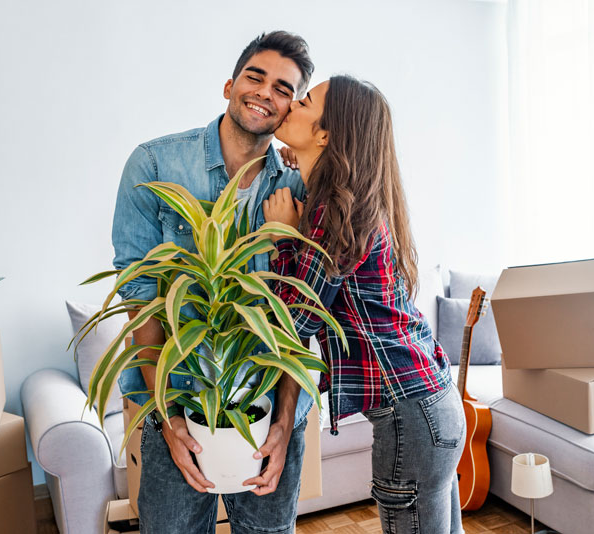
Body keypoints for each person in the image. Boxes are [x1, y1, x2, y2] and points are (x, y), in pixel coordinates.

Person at [112, 31, 315, 534]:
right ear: (229, 85)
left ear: (291, 110)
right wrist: (167, 418)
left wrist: (286, 419)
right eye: (255, 76)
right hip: (176, 399)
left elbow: (300, 313)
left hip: (270, 401)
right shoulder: (155, 166)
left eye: (284, 89)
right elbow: (141, 298)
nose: (266, 92)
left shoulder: (298, 181)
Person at [262, 76, 466, 534]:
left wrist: (281, 239)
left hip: (412, 419)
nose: (291, 103)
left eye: (305, 101)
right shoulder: (350, 201)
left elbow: (297, 319)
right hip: (433, 403)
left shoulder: (332, 212)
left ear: (325, 134)